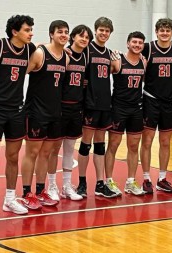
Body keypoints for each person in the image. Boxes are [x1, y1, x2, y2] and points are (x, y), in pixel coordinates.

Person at [0, 15, 36, 217]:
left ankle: (10, 199)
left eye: (31, 30)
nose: (31, 33)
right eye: (27, 30)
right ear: (15, 31)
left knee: (13, 157)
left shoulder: (30, 49)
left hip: (17, 110)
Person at [21, 20, 70, 209]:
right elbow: (20, 74)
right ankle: (26, 192)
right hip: (36, 111)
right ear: (51, 34)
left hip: (54, 112)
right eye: (60, 32)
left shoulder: (65, 57)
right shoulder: (40, 53)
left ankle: (41, 190)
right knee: (32, 152)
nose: (64, 35)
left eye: (66, 32)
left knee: (46, 153)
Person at [45, 24, 93, 201]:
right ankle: (51, 185)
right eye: (81, 36)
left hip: (76, 107)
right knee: (54, 148)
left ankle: (66, 185)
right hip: (60, 107)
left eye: (87, 37)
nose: (84, 39)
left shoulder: (86, 57)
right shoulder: (64, 54)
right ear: (73, 37)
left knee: (69, 149)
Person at [140, 18, 172, 194]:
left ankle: (162, 178)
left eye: (168, 30)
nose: (165, 33)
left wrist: (171, 83)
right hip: (151, 99)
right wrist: (151, 82)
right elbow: (140, 68)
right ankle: (146, 178)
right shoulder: (148, 47)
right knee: (147, 141)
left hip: (169, 100)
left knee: (165, 142)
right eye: (161, 30)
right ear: (156, 31)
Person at [76, 17, 118, 198]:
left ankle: (100, 183)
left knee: (100, 145)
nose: (104, 33)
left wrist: (116, 62)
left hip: (104, 103)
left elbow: (115, 70)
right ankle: (82, 182)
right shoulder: (87, 50)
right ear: (96, 30)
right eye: (101, 30)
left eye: (107, 31)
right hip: (89, 103)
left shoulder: (109, 53)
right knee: (86, 144)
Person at [104, 31, 147, 196]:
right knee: (113, 145)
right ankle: (108, 181)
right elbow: (100, 75)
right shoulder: (117, 60)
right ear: (128, 44)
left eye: (140, 43)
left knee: (134, 146)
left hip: (136, 108)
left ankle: (130, 181)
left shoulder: (144, 61)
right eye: (134, 42)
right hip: (118, 108)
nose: (137, 45)